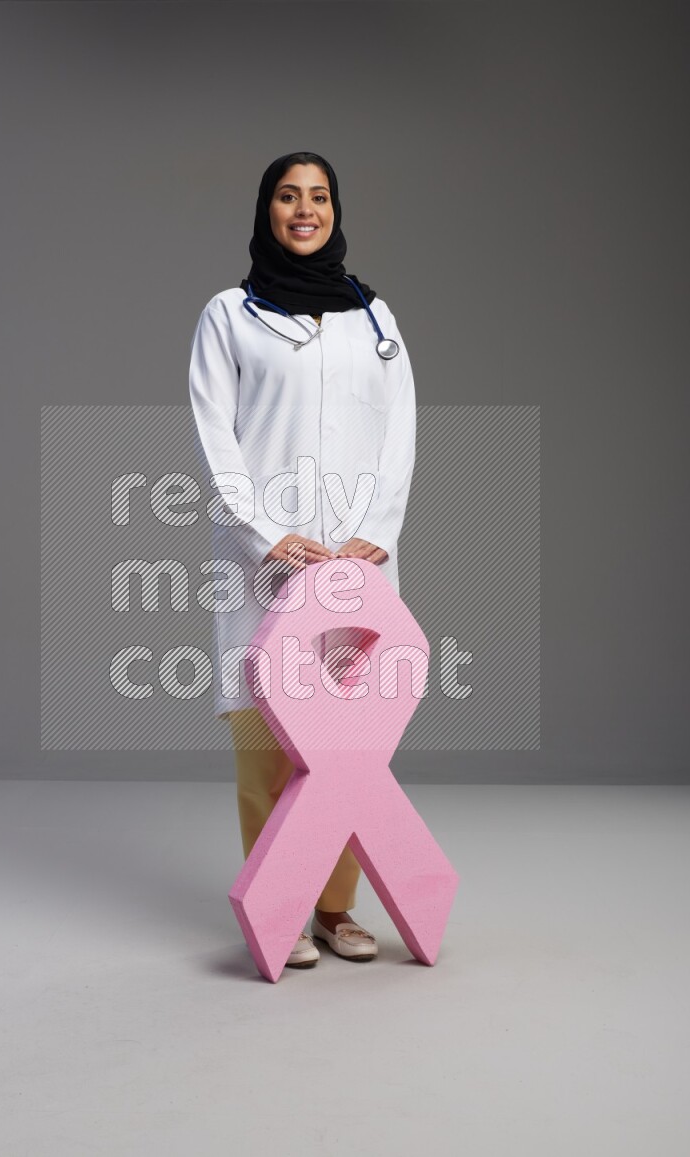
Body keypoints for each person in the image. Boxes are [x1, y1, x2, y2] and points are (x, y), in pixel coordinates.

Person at [188, 152, 416, 970]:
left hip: (356, 559)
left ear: (335, 210)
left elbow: (401, 432)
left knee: (352, 742)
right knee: (264, 734)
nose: (305, 209)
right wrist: (264, 532)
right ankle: (278, 903)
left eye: (318, 196)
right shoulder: (230, 314)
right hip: (267, 560)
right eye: (289, 196)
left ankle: (336, 909)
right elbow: (216, 434)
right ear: (267, 211)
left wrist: (377, 529)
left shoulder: (375, 319)